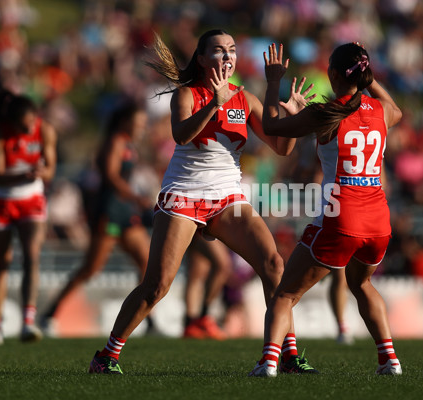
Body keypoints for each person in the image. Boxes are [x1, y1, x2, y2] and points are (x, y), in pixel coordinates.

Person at [88, 29, 317, 374]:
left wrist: (288, 107)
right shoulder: (186, 95)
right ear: (202, 59)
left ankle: (287, 356)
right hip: (184, 196)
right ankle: (107, 355)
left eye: (232, 50)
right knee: (157, 286)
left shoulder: (245, 97)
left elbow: (281, 146)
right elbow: (181, 135)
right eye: (219, 50)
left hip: (227, 198)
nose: (227, 56)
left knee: (274, 265)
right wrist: (214, 102)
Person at [248, 42, 403, 377]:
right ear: (364, 74)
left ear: (332, 74)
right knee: (362, 285)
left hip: (341, 216)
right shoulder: (381, 111)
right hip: (378, 220)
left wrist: (274, 81)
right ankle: (389, 360)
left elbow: (272, 128)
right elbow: (397, 109)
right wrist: (368, 73)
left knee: (285, 294)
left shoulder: (325, 112)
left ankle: (269, 363)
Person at [41, 101, 154, 334]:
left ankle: (149, 322)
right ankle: (49, 314)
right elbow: (111, 176)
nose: (142, 127)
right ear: (125, 122)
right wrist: (137, 197)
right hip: (110, 212)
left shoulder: (129, 144)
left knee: (148, 265)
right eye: (138, 123)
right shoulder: (115, 141)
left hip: (125, 213)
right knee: (90, 269)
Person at [0, 89, 57, 345]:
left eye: (31, 124)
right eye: (23, 126)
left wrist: (41, 172)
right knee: (0, 263)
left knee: (32, 255)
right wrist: (25, 174)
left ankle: (28, 321)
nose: (29, 129)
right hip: (1, 201)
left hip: (31, 200)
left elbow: (50, 170)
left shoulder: (45, 130)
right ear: (12, 122)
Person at [182, 235, 231, 340]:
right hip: (203, 223)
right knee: (222, 265)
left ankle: (190, 324)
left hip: (205, 224)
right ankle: (204, 317)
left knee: (197, 272)